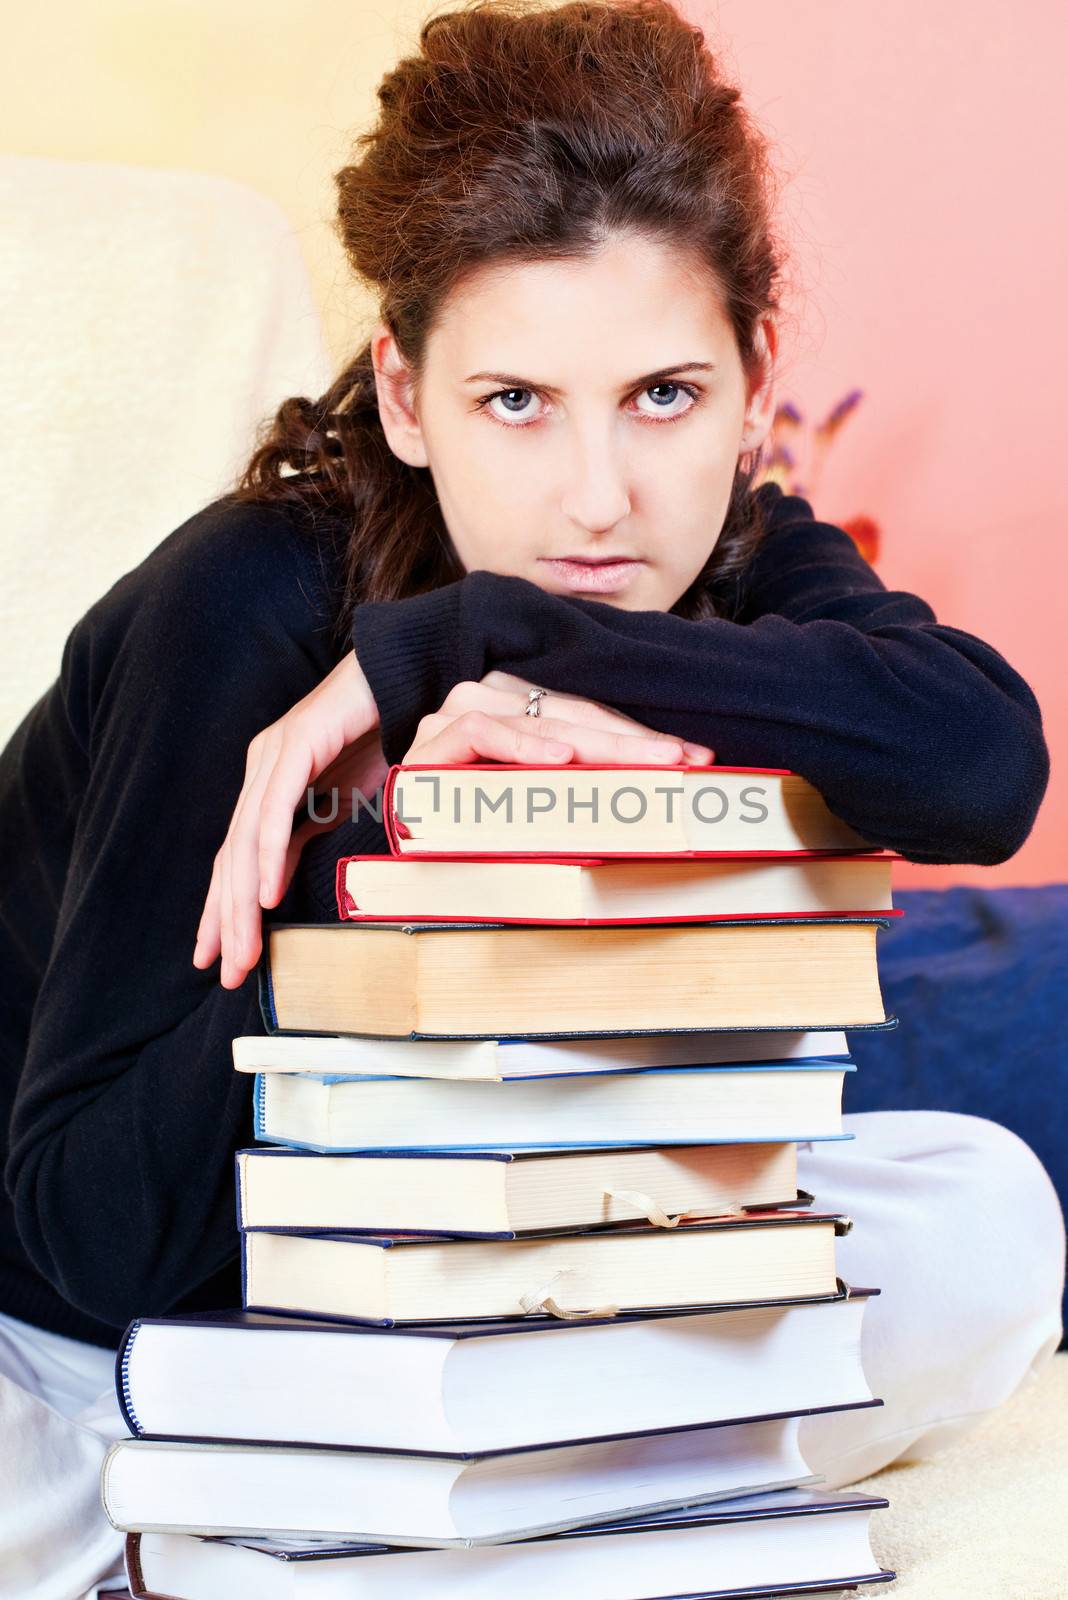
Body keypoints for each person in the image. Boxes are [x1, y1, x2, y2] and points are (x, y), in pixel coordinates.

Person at [0, 1, 1063, 1594]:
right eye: (515, 402)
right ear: (408, 396)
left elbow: (984, 766)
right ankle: (390, 1515)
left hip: (532, 1245)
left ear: (754, 376)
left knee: (985, 1212)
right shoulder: (245, 607)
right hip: (152, 1329)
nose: (598, 501)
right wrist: (386, 867)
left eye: (663, 397)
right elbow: (90, 1235)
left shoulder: (738, 548)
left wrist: (490, 634)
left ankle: (404, 1519)